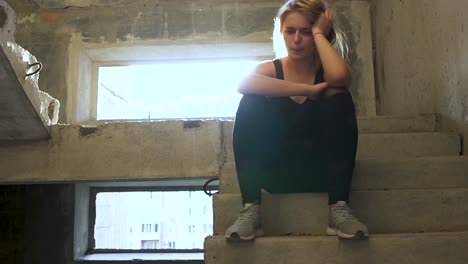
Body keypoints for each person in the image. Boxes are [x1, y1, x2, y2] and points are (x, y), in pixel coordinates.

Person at [225, 0, 368, 241]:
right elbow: (243, 84)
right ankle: (251, 208)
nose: (297, 39)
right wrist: (307, 90)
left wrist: (319, 33)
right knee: (251, 101)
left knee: (339, 97)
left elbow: (341, 77)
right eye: (290, 31)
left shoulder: (328, 72)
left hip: (322, 172)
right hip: (276, 175)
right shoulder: (271, 70)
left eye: (306, 32)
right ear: (281, 34)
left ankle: (339, 208)